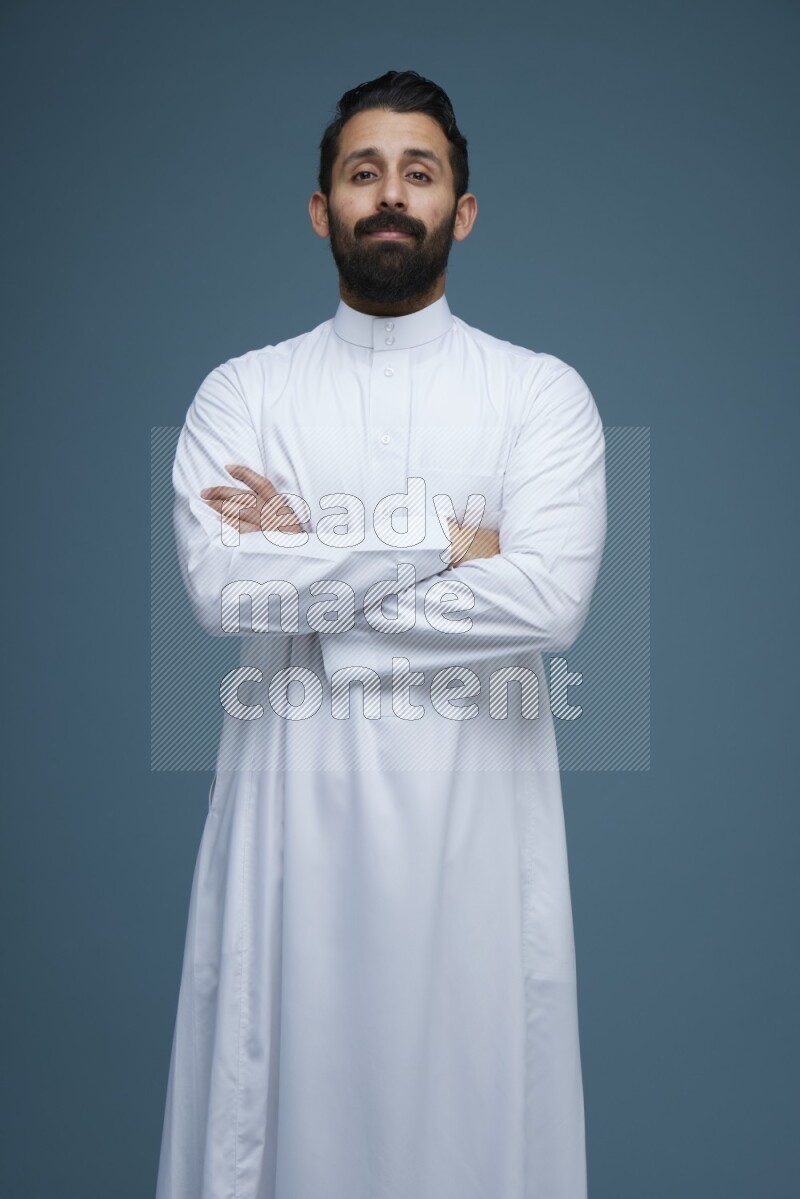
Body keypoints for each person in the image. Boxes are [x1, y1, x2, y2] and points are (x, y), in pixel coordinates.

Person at [155, 69, 607, 1199]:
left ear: (461, 208)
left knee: (471, 1125)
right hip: (286, 839)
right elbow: (225, 591)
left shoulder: (538, 395)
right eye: (363, 173)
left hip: (477, 846)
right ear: (321, 209)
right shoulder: (241, 394)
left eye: (418, 172)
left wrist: (312, 554)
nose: (389, 194)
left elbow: (546, 601)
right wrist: (443, 539)